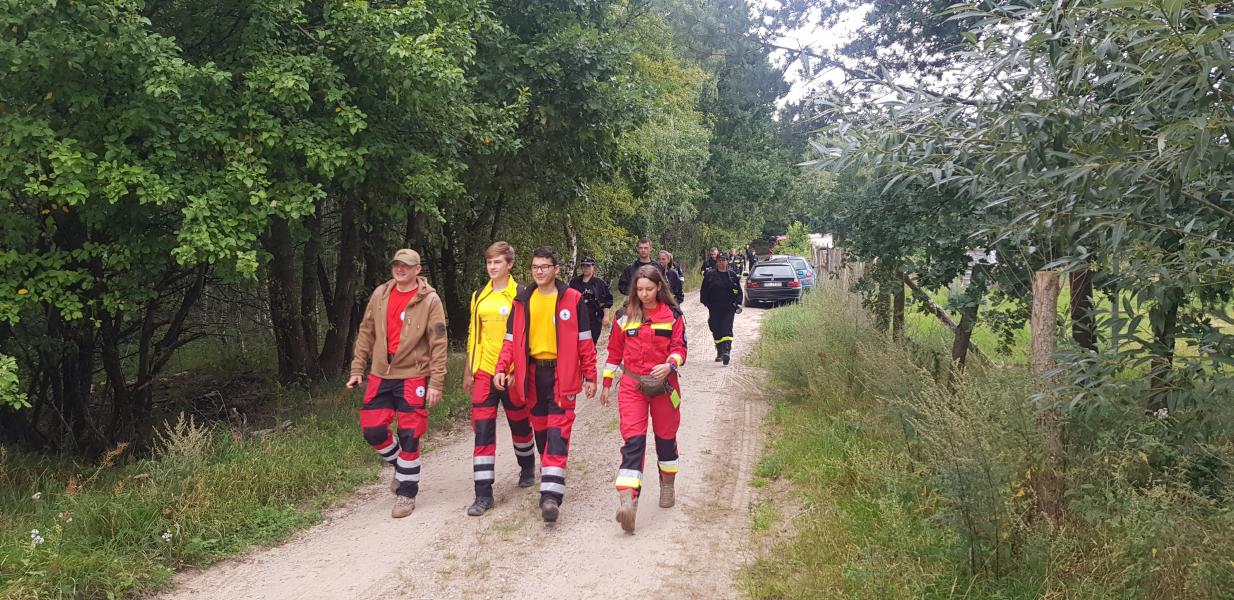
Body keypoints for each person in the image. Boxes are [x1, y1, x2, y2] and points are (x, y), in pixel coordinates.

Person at [493, 247, 598, 522]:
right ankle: (551, 474)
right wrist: (502, 368)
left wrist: (590, 374)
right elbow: (509, 340)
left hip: (562, 377)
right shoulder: (522, 300)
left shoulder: (572, 299)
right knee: (541, 434)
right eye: (535, 267)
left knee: (557, 434)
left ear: (556, 270)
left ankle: (550, 498)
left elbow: (584, 341)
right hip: (533, 378)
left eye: (545, 266)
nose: (539, 271)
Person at [347, 249, 448, 519]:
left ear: (417, 270)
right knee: (372, 431)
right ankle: (402, 466)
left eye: (406, 266)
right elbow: (366, 332)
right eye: (396, 265)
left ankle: (407, 492)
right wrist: (358, 368)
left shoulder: (430, 300)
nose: (400, 269)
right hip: (381, 374)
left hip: (413, 375)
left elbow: (439, 343)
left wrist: (436, 382)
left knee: (409, 434)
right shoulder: (380, 294)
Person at [600, 265, 687, 533]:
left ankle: (667, 484)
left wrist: (670, 365)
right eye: (640, 290)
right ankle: (628, 501)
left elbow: (680, 348)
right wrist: (606, 383)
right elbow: (614, 352)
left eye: (649, 289)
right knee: (633, 441)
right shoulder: (624, 316)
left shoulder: (672, 315)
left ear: (659, 287)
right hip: (632, 386)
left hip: (665, 386)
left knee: (665, 439)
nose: (644, 294)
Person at [463, 242, 536, 516]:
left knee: (519, 423)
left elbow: (525, 336)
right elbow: (474, 333)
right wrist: (468, 370)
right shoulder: (479, 295)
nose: (492, 267)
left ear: (509, 264)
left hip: (512, 373)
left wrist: (516, 370)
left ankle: (527, 466)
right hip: (484, 371)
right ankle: (483, 494)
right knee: (482, 430)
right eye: (489, 262)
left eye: (497, 262)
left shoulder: (521, 294)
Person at [700, 252, 743, 365]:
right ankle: (720, 351)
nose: (721, 263)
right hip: (714, 308)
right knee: (715, 328)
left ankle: (727, 351)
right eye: (719, 260)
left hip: (729, 308)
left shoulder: (732, 275)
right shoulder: (710, 275)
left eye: (724, 260)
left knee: (727, 328)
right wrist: (705, 302)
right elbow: (703, 290)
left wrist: (737, 303)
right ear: (717, 262)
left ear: (727, 262)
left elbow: (738, 291)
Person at [569, 256, 614, 346]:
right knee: (578, 344)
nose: (586, 268)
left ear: (593, 267)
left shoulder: (599, 283)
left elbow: (607, 301)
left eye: (588, 266)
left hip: (594, 318)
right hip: (578, 318)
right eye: (584, 266)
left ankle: (591, 359)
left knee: (591, 344)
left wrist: (606, 316)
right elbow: (569, 299)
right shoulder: (574, 282)